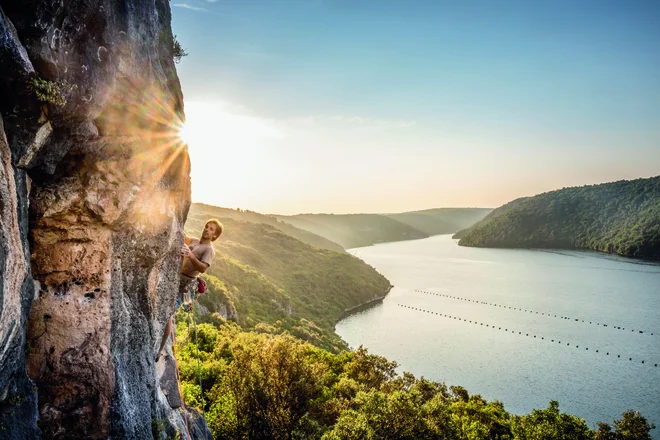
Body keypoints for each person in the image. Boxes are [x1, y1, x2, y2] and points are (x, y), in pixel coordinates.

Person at [156, 219, 223, 361]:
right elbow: (183, 236)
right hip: (176, 279)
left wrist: (190, 255)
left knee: (168, 314)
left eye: (211, 229)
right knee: (162, 308)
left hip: (186, 286)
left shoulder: (209, 250)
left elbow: (203, 268)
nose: (207, 229)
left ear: (214, 236)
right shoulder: (194, 241)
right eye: (207, 226)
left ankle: (159, 349)